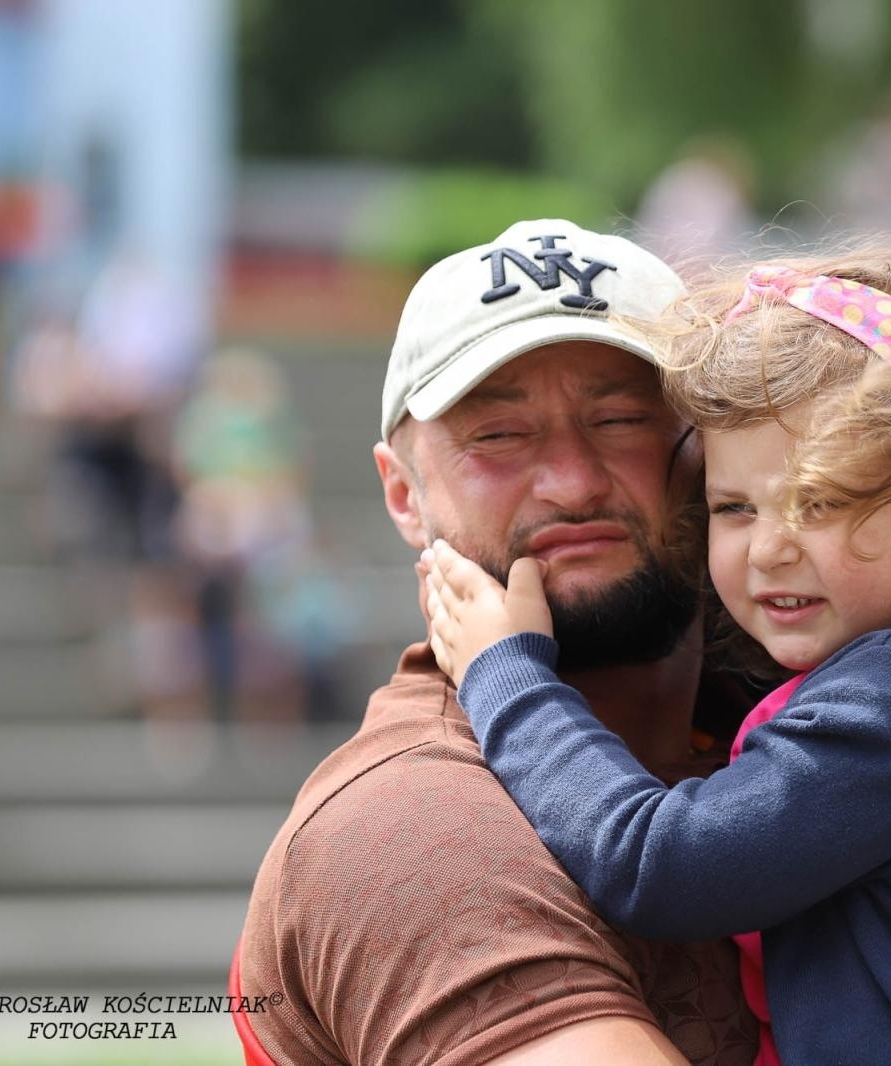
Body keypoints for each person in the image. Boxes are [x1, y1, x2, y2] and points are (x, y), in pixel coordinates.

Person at [424, 248, 891, 1064]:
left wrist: (508, 676)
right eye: (733, 506)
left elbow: (660, 864)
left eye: (823, 501)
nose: (769, 549)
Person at [234, 220, 760, 1065]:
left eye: (623, 418)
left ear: (712, 452)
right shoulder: (407, 829)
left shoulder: (798, 719)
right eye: (499, 436)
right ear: (404, 495)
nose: (574, 481)